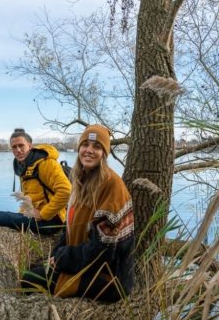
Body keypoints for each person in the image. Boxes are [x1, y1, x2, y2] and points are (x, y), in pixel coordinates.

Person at [20, 124, 135, 303]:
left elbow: (104, 250)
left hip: (109, 277)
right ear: (79, 148)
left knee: (28, 280)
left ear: (104, 153)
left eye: (96, 147)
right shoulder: (81, 180)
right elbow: (71, 229)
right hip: (88, 263)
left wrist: (63, 257)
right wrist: (56, 254)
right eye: (85, 145)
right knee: (36, 268)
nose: (89, 150)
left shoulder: (111, 185)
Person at [0, 128, 71, 235]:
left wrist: (43, 214)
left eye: (21, 145)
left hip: (51, 220)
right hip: (35, 217)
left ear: (30, 146)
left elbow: (66, 191)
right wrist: (22, 214)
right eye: (14, 147)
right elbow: (29, 197)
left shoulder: (46, 163)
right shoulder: (24, 166)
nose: (18, 150)